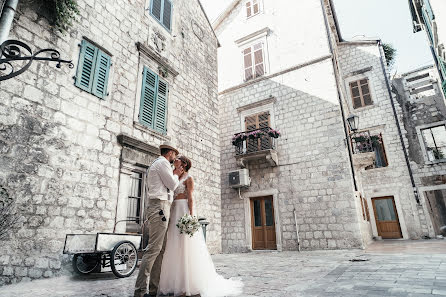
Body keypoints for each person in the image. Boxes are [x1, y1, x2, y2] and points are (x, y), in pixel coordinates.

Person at [158, 156, 243, 297]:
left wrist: (191, 216)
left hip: (184, 209)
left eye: (178, 159)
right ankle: (175, 283)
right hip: (174, 210)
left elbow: (190, 197)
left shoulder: (188, 178)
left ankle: (187, 285)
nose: (175, 160)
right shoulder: (174, 175)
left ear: (184, 164)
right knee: (174, 243)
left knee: (186, 244)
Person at [134, 142, 184, 297]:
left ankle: (153, 290)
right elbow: (172, 185)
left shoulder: (160, 163)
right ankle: (140, 292)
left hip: (161, 206)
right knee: (154, 249)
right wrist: (176, 172)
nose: (175, 158)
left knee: (160, 249)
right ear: (170, 153)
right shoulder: (162, 163)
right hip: (160, 207)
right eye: (174, 155)